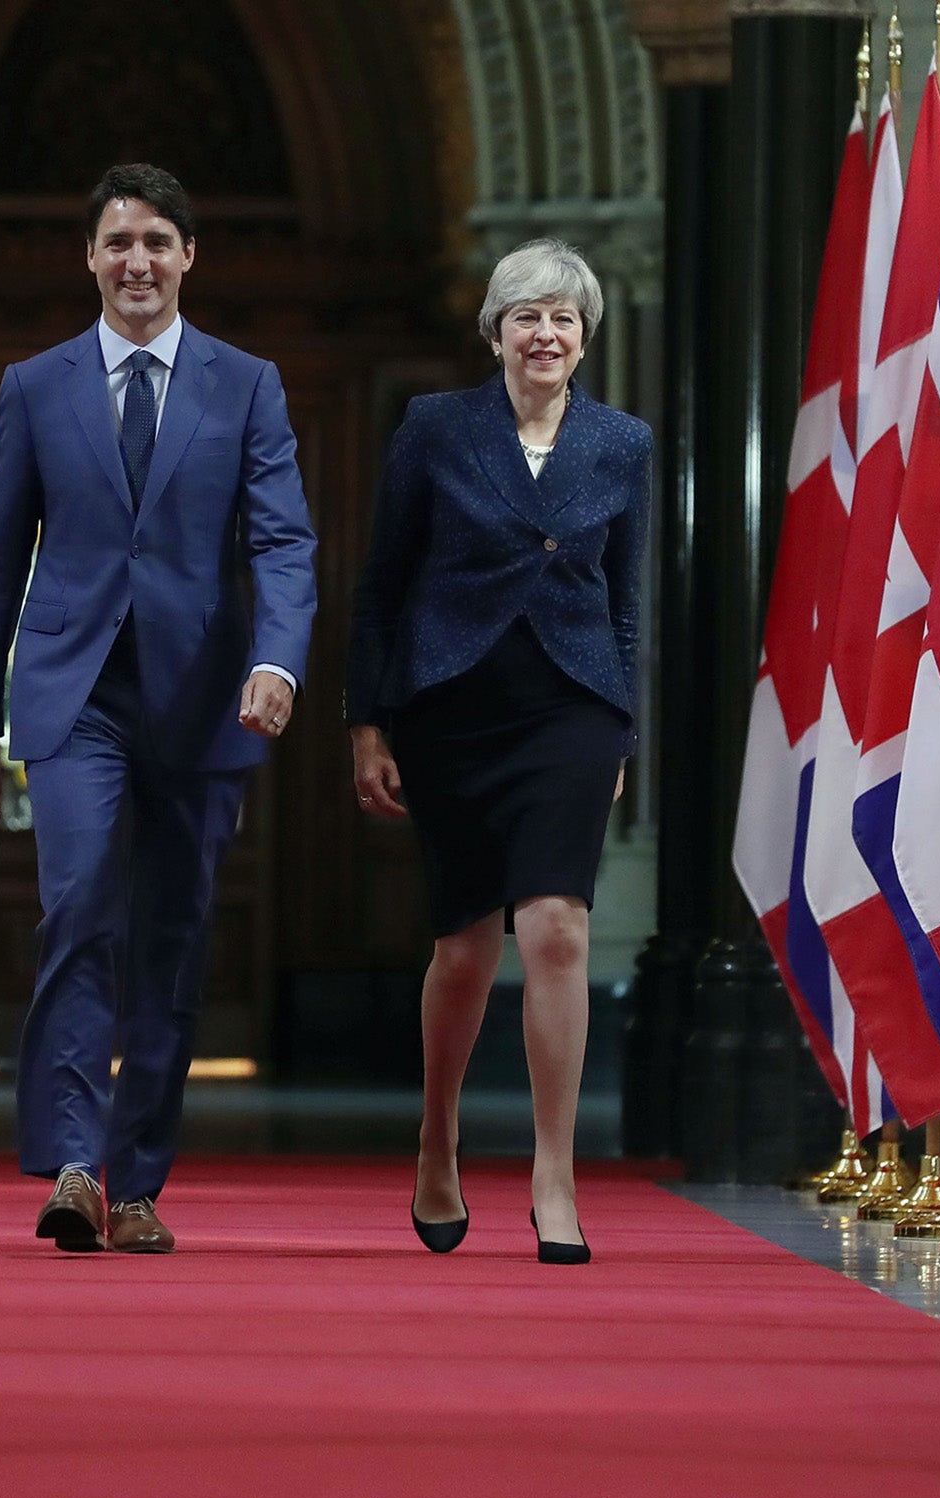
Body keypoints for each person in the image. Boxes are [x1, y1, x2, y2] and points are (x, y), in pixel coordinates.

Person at [0, 164, 317, 1255]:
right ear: (90, 259)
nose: (136, 262)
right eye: (116, 243)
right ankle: (72, 1165)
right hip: (72, 700)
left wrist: (277, 665)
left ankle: (138, 1183)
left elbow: (283, 542)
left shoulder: (246, 384)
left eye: (156, 241)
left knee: (171, 937)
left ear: (188, 256)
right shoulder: (34, 384)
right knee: (75, 911)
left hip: (203, 704)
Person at [345, 238, 649, 1265]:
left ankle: (552, 1174)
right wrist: (366, 722)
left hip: (570, 708)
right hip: (452, 709)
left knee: (556, 926)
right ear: (493, 332)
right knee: (466, 948)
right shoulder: (436, 428)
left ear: (584, 336)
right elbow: (383, 581)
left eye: (563, 317)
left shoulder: (620, 443)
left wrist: (621, 727)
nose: (545, 333)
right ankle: (438, 1135)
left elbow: (626, 601)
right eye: (525, 314)